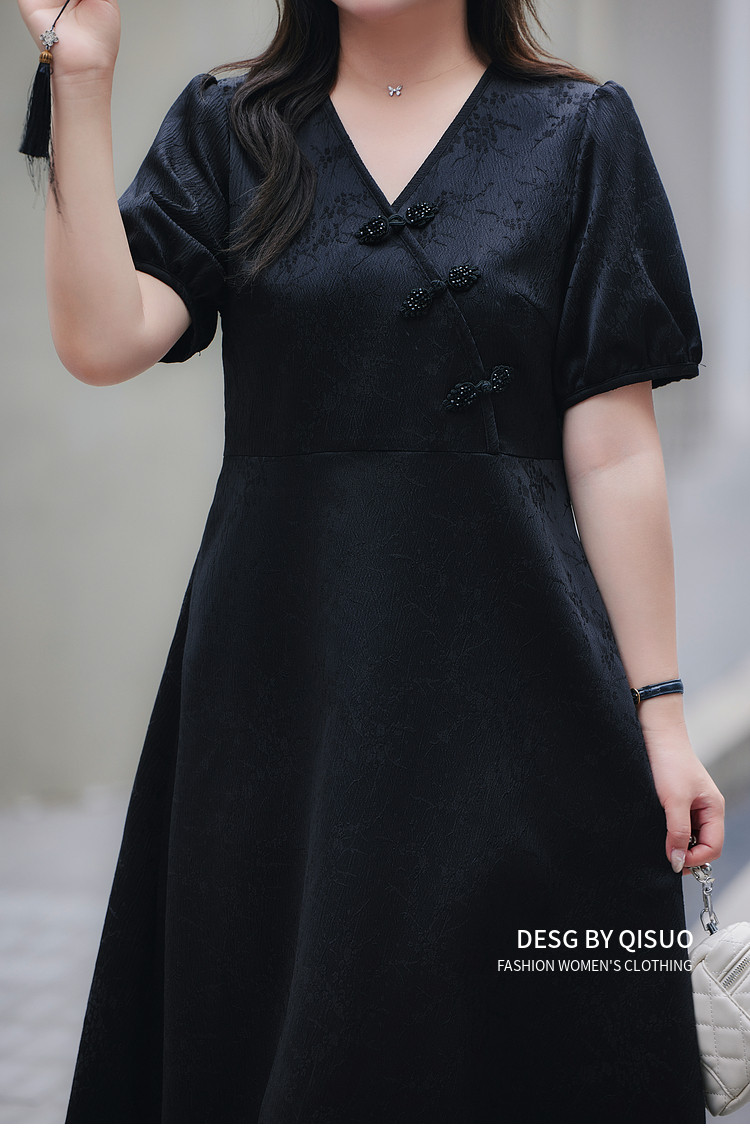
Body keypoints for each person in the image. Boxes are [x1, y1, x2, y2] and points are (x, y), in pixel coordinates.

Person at [18, 0, 726, 1125]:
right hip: (283, 697)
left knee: (519, 1044)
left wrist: (663, 713)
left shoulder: (582, 131)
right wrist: (82, 80)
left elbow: (615, 452)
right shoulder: (231, 125)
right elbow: (103, 340)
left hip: (522, 694)